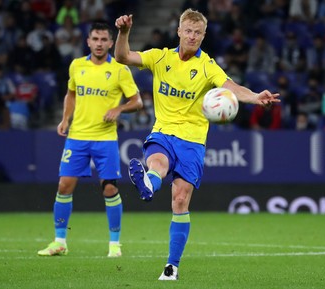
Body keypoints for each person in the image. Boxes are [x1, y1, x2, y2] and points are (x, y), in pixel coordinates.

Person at [114, 9, 279, 280]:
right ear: (179, 31)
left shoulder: (207, 66)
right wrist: (123, 32)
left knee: (180, 200)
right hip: (164, 132)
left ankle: (171, 266)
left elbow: (231, 87)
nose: (192, 36)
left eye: (197, 33)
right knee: (158, 162)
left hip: (192, 141)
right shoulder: (160, 57)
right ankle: (148, 181)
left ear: (203, 36)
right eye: (188, 31)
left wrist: (254, 97)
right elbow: (122, 56)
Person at [38, 22, 142, 258]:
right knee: (64, 185)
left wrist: (120, 109)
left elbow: (138, 102)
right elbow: (71, 94)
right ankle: (60, 242)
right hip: (77, 137)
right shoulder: (77, 66)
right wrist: (65, 119)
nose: (99, 43)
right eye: (95, 39)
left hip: (105, 139)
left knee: (109, 189)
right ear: (88, 41)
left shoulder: (119, 69)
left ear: (111, 43)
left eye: (104, 39)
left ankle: (115, 244)